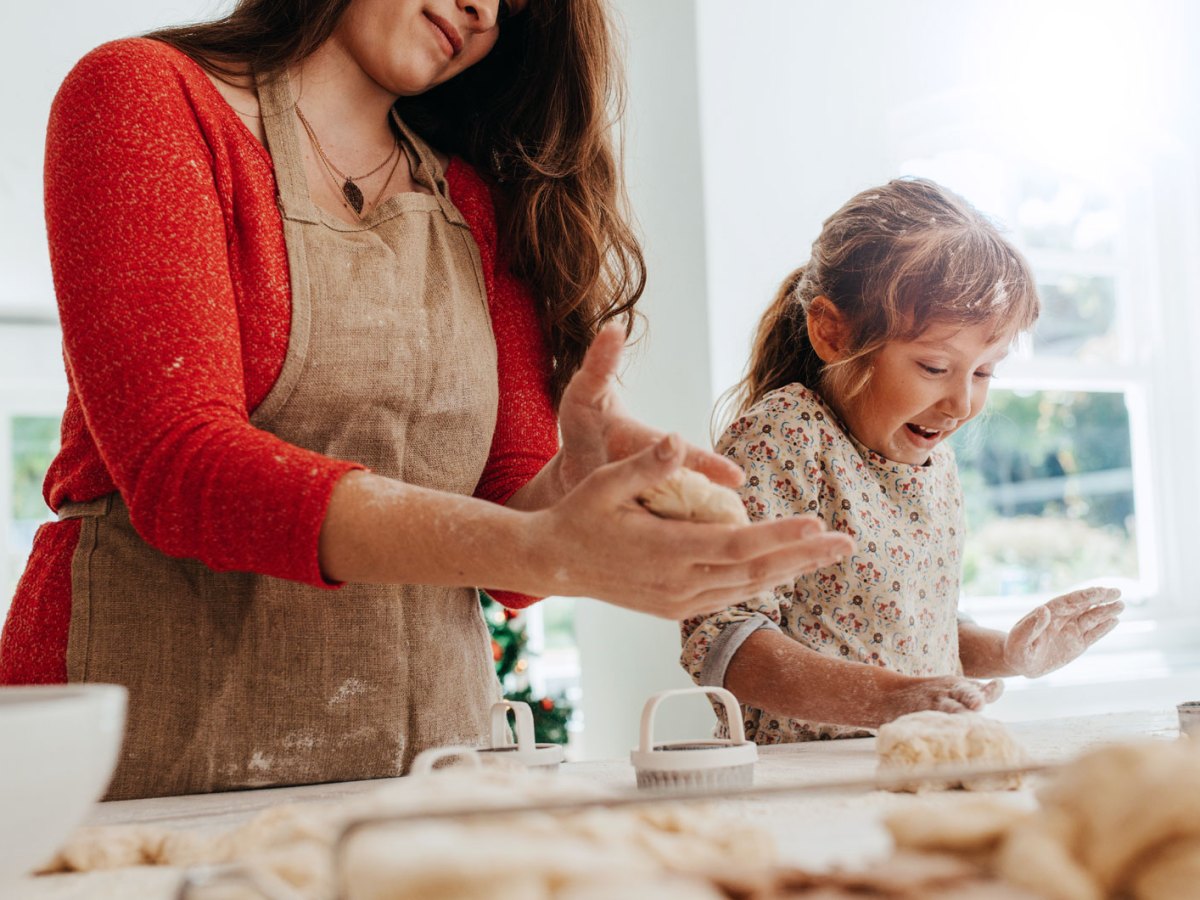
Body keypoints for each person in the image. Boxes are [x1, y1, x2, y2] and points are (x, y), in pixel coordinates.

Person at [0, 0, 852, 798]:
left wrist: (568, 487)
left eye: (514, 6)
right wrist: (538, 546)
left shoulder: (475, 203)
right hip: (142, 754)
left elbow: (505, 525)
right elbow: (180, 466)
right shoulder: (144, 95)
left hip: (418, 772)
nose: (484, 9)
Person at [682, 178, 1124, 743]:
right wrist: (889, 700)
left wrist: (1011, 652)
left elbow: (922, 630)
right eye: (935, 367)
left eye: (985, 371)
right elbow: (724, 640)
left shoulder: (934, 465)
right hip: (799, 785)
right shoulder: (788, 436)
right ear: (831, 333)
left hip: (905, 768)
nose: (962, 403)